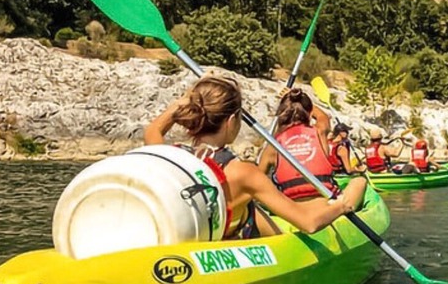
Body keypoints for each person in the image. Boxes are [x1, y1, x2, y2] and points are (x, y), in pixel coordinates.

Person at [144, 76, 366, 239]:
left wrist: (181, 103)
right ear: (231, 121)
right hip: (231, 236)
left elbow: (152, 132)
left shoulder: (170, 156)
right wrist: (341, 206)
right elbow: (309, 224)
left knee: (251, 205)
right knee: (251, 207)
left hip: (195, 236)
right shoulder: (243, 172)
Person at [257, 89, 339, 200]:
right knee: (360, 182)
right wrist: (299, 101)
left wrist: (291, 102)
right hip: (325, 200)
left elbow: (257, 179)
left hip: (293, 206)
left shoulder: (273, 145)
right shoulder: (320, 132)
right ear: (310, 114)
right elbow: (323, 116)